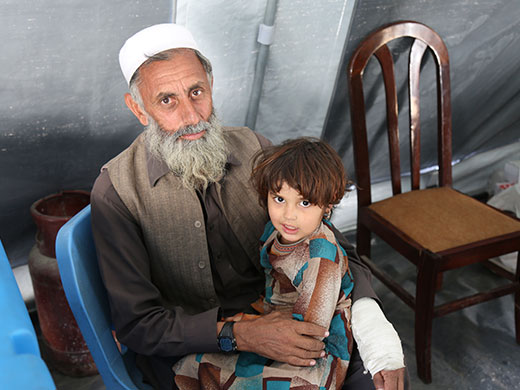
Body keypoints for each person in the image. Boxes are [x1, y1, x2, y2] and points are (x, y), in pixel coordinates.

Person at [90, 23, 406, 390]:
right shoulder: (116, 193)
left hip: (288, 315)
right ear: (138, 108)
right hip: (191, 347)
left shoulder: (255, 148)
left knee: (382, 382)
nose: (192, 116)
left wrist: (372, 324)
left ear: (211, 87)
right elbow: (139, 325)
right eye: (167, 100)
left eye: (196, 92)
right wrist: (243, 334)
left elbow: (328, 240)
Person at [173, 137, 355, 389]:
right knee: (191, 366)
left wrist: (248, 325)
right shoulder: (274, 231)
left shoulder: (321, 255)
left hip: (313, 351)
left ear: (329, 202)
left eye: (304, 202)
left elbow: (310, 331)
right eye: (279, 199)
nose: (288, 215)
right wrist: (253, 323)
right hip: (273, 323)